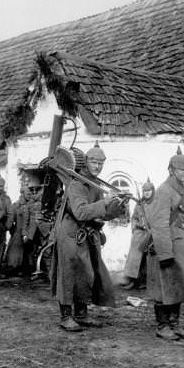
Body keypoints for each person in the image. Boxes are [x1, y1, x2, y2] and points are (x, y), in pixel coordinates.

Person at [50, 141, 126, 331]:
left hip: (85, 235)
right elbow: (81, 213)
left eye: (101, 163)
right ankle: (66, 316)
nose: (97, 166)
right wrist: (105, 202)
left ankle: (81, 314)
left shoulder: (95, 185)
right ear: (86, 162)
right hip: (69, 234)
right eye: (94, 162)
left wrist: (118, 205)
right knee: (68, 275)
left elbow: (102, 214)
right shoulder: (76, 184)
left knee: (86, 274)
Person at [147, 147, 184, 340]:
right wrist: (165, 254)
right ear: (171, 170)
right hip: (168, 245)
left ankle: (175, 324)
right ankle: (162, 326)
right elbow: (158, 223)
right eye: (181, 169)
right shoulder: (164, 191)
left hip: (182, 244)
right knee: (165, 287)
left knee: (180, 284)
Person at [122, 178, 155, 290]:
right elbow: (134, 218)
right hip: (140, 233)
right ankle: (132, 279)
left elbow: (159, 219)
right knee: (135, 253)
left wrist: (151, 228)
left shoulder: (156, 204)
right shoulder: (140, 204)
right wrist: (135, 228)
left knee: (148, 256)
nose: (146, 193)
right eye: (145, 191)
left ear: (152, 191)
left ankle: (144, 281)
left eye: (149, 190)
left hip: (152, 234)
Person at [4, 185, 30, 277]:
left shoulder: (29, 205)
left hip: (26, 233)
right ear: (22, 194)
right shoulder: (16, 205)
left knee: (24, 253)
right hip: (18, 233)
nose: (29, 195)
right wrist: (12, 230)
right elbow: (11, 219)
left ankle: (22, 269)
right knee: (14, 252)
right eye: (28, 194)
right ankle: (13, 268)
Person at [0, 176, 13, 280]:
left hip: (1, 227)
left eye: (2, 186)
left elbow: (10, 213)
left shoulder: (6, 198)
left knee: (0, 249)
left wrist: (7, 226)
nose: (0, 188)